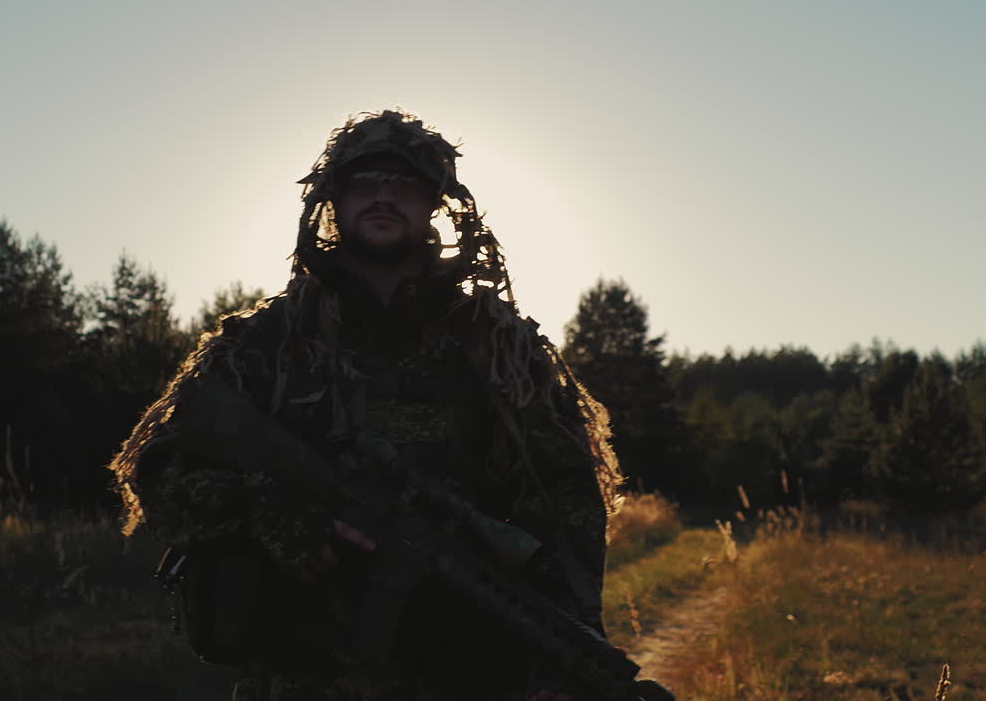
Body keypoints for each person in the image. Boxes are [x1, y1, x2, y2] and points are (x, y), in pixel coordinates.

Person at [109, 109, 624, 701]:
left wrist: (569, 655)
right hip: (300, 675)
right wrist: (266, 507)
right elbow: (159, 474)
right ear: (333, 198)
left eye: (404, 183)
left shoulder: (497, 345)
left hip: (473, 670)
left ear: (434, 203)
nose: (384, 196)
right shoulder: (266, 344)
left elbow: (568, 508)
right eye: (365, 181)